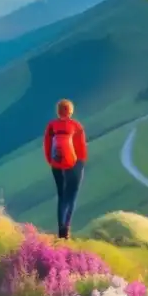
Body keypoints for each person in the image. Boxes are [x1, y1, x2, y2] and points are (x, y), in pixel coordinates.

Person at [43, 99, 88, 239]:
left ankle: (60, 229)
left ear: (58, 111)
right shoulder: (76, 125)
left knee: (61, 196)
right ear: (71, 111)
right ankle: (67, 228)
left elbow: (47, 145)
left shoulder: (51, 126)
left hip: (56, 164)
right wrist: (80, 164)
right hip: (73, 164)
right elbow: (81, 148)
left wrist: (52, 162)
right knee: (72, 195)